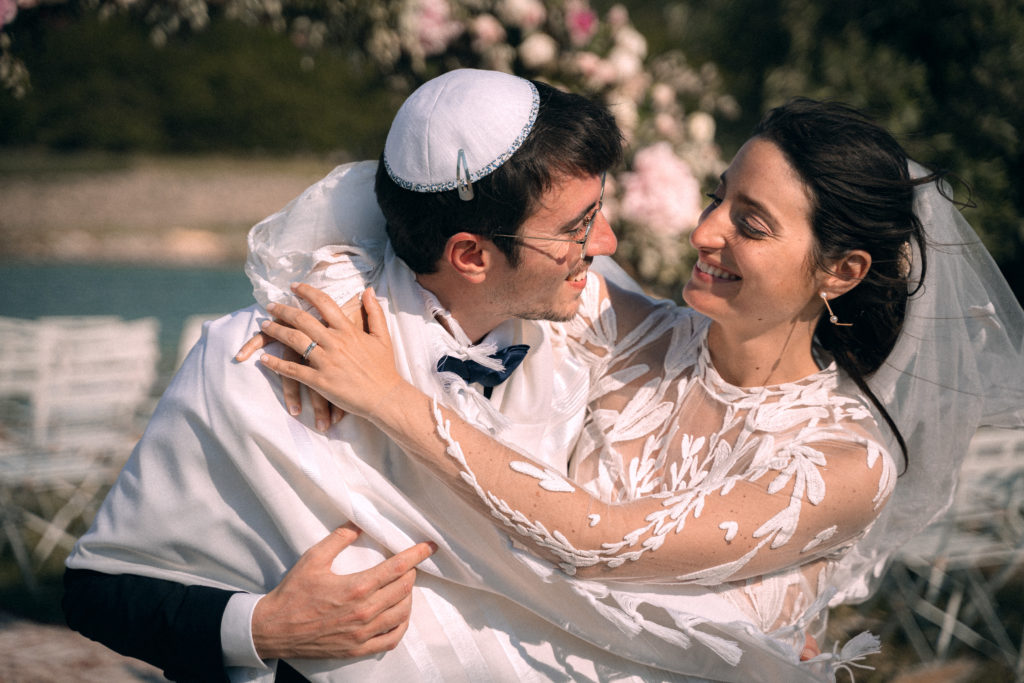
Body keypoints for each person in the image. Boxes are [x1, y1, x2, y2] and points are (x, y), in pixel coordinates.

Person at [252, 99, 1024, 678]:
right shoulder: (629, 321)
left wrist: (387, 395)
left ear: (842, 271)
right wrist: (340, 290)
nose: (706, 229)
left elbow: (595, 538)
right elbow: (439, 237)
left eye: (750, 224)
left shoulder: (847, 462)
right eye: (719, 195)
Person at [66, 69, 779, 682]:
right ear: (470, 255)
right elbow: (97, 588)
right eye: (576, 226)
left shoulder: (592, 318)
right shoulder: (259, 362)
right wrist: (264, 627)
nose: (606, 243)